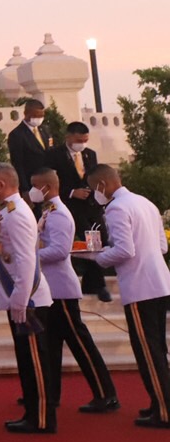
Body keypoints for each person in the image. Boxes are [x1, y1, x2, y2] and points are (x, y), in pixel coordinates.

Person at [84, 164, 170, 428]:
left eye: (93, 189)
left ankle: (164, 410)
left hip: (140, 286)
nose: (93, 194)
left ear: (102, 185)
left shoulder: (117, 208)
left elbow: (124, 250)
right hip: (160, 282)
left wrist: (96, 258)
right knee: (157, 348)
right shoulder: (145, 202)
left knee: (147, 351)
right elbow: (163, 246)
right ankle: (159, 401)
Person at [31, 168, 118, 412]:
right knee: (51, 343)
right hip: (51, 289)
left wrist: (30, 256)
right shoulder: (48, 211)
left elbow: (59, 250)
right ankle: (50, 392)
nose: (33, 191)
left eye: (35, 186)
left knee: (80, 342)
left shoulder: (58, 214)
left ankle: (105, 393)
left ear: (47, 187)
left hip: (61, 289)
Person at [0, 162, 59, 434]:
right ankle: (32, 413)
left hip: (29, 300)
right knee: (26, 361)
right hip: (20, 296)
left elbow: (27, 259)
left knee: (35, 363)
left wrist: (20, 299)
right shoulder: (8, 211)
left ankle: (41, 417)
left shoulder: (16, 214)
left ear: (1, 185)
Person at [51, 121, 110, 301]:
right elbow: (49, 182)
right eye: (79, 140)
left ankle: (91, 283)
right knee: (90, 241)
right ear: (68, 137)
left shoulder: (89, 154)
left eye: (85, 140)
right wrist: (71, 192)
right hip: (69, 206)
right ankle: (100, 285)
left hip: (91, 205)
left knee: (101, 240)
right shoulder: (54, 155)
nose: (82, 144)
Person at [6, 98, 55, 204]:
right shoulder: (17, 135)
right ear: (26, 113)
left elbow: (50, 152)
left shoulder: (45, 130)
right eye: (36, 116)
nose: (39, 119)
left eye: (41, 116)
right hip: (31, 184)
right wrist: (25, 189)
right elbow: (18, 164)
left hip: (47, 183)